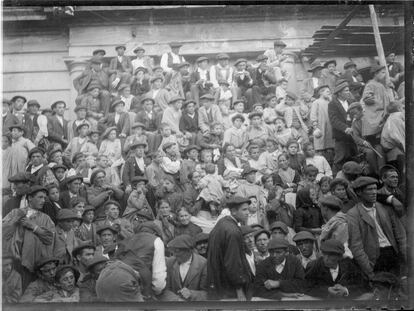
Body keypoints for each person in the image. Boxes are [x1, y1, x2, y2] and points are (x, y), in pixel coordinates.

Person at [347, 176, 406, 280]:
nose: (374, 192)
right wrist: (369, 270)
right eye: (370, 189)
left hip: (393, 252)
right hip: (374, 258)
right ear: (359, 192)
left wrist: (405, 258)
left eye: (375, 188)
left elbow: (400, 235)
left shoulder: (385, 207)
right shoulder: (353, 214)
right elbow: (356, 246)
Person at [3, 186, 55, 289]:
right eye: (40, 197)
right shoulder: (16, 212)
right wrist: (15, 219)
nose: (43, 201)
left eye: (44, 198)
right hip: (16, 262)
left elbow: (49, 239)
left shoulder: (46, 218)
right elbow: (3, 232)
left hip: (37, 263)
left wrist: (33, 226)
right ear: (30, 198)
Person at [207, 196, 252, 300]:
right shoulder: (232, 231)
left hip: (218, 284)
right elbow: (233, 262)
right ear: (233, 211)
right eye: (244, 209)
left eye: (248, 209)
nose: (247, 213)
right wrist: (239, 289)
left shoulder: (222, 224)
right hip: (230, 288)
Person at [115, 221, 167, 298]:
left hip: (117, 282)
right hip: (139, 288)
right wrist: (157, 291)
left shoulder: (126, 240)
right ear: (155, 233)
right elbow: (159, 276)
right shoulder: (156, 241)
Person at [161, 234, 208, 301]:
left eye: (177, 251)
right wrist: (176, 299)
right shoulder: (170, 262)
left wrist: (192, 294)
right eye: (173, 251)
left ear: (189, 250)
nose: (175, 254)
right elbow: (165, 290)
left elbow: (207, 294)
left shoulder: (203, 264)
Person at [328, 80, 357, 173]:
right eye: (346, 91)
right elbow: (334, 120)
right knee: (339, 160)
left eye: (348, 90)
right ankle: (335, 180)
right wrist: (345, 128)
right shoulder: (332, 104)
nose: (349, 93)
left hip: (353, 136)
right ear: (339, 93)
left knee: (354, 158)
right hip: (341, 137)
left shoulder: (351, 101)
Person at [361, 64, 395, 138]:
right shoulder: (370, 84)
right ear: (376, 73)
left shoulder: (381, 85)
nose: (385, 75)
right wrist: (380, 103)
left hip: (382, 115)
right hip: (375, 117)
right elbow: (367, 98)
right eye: (382, 72)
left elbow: (386, 99)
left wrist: (389, 89)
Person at [310, 85, 334, 163]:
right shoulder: (316, 102)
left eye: (330, 92)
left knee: (330, 148)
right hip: (320, 128)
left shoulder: (329, 102)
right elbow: (313, 115)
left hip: (329, 128)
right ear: (321, 92)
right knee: (320, 147)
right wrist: (315, 127)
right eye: (327, 91)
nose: (329, 93)